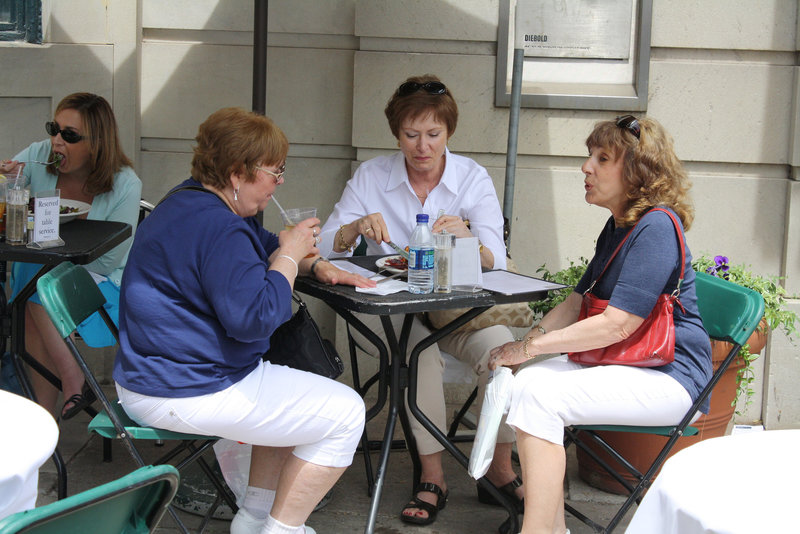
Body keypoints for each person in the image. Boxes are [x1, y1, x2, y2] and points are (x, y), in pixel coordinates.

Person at [113, 107, 373, 534]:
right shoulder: (221, 228)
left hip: (151, 375)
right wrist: (290, 255)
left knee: (293, 385)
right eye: (274, 172)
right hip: (183, 388)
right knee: (347, 414)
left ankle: (253, 518)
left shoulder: (189, 200)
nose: (280, 182)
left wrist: (313, 265)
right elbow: (256, 320)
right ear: (238, 173)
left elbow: (264, 246)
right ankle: (281, 529)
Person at [489, 115, 712, 534]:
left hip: (672, 377)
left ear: (637, 171)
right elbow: (577, 302)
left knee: (539, 397)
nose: (586, 167)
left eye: (602, 158)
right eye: (589, 155)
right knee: (525, 385)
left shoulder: (658, 227)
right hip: (636, 364)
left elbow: (616, 326)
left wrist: (530, 349)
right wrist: (524, 346)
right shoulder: (621, 225)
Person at [319, 74, 523, 526]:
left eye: (434, 134)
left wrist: (469, 237)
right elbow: (328, 245)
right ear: (397, 134)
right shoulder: (372, 176)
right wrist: (353, 230)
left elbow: (497, 259)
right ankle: (432, 476)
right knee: (419, 356)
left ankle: (499, 469)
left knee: (503, 352)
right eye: (411, 135)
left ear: (448, 133)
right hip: (393, 312)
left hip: (456, 310)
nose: (423, 147)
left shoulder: (471, 177)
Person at [0, 92, 142, 419]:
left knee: (34, 285)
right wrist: (10, 180)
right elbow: (9, 203)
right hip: (41, 290)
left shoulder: (124, 184)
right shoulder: (38, 156)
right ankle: (61, 397)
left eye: (70, 135)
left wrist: (51, 268)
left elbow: (108, 260)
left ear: (97, 143)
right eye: (55, 129)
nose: (56, 141)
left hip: (104, 287)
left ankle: (56, 402)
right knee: (32, 282)